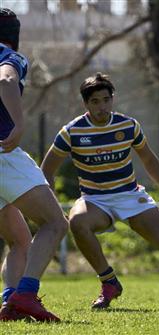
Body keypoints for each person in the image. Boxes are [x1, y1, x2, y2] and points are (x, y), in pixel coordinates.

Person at [41, 72, 159, 310]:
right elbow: (46, 170)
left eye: (106, 100)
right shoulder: (72, 131)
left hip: (130, 195)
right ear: (85, 104)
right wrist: (52, 206)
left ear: (112, 99)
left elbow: (149, 160)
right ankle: (109, 282)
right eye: (95, 102)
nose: (102, 106)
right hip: (95, 199)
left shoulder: (128, 126)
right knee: (77, 222)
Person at [0, 8, 69, 322]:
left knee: (18, 239)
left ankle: (9, 304)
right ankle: (26, 295)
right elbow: (6, 79)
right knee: (55, 224)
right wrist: (18, 122)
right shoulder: (10, 55)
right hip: (3, 154)